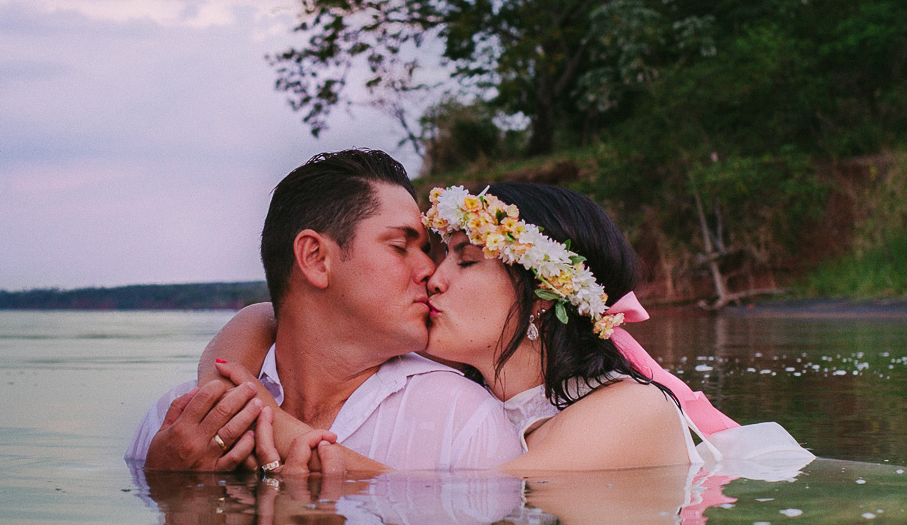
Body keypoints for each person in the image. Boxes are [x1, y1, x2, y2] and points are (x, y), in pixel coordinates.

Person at [210, 182, 814, 473]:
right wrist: (241, 354)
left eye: (466, 261)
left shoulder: (629, 411)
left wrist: (271, 420)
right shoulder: (465, 386)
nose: (434, 279)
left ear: (537, 299)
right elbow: (276, 317)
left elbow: (469, 499)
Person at [126, 150, 521, 471]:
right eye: (401, 247)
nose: (428, 270)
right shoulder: (177, 421)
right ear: (315, 258)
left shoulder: (463, 423)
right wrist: (166, 481)